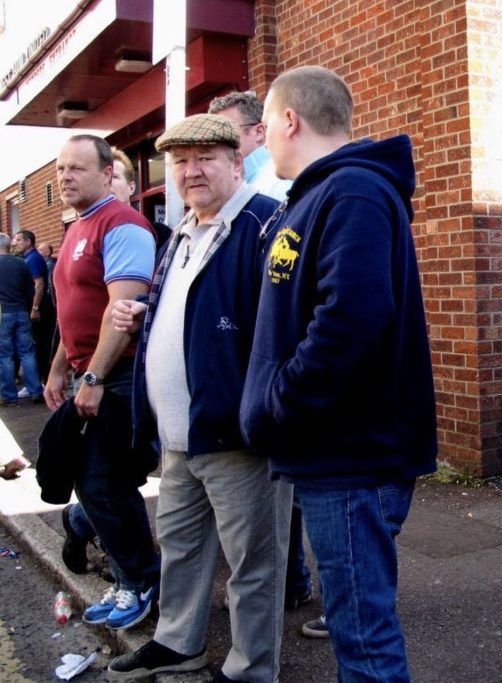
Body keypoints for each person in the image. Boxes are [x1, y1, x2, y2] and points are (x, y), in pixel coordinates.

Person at [239, 65, 437, 682]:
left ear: (290, 119)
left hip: (351, 459)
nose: (262, 138)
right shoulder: (321, 193)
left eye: (265, 123)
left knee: (364, 641)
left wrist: (279, 403)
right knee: (358, 629)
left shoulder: (352, 192)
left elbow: (352, 320)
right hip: (334, 454)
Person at [105, 114, 289, 682]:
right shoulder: (183, 230)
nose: (192, 171)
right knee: (180, 546)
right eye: (181, 161)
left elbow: (281, 327)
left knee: (253, 562)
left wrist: (261, 412)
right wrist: (144, 315)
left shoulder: (265, 224)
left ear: (237, 162)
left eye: (206, 158)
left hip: (236, 436)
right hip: (180, 434)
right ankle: (178, 642)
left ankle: (251, 668)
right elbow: (198, 310)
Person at [45, 134, 160, 631]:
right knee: (94, 481)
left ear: (107, 173)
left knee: (105, 482)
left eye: (77, 168)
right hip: (91, 373)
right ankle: (123, 567)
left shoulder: (122, 225)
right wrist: (59, 368)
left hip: (119, 376)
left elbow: (122, 312)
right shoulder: (78, 227)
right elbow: (74, 311)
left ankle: (141, 580)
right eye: (60, 169)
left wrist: (93, 376)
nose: (65, 177)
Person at [208, 88, 315, 618]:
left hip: (282, 364)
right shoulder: (241, 188)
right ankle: (293, 581)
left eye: (228, 133)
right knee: (278, 483)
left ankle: (304, 584)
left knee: (300, 485)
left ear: (258, 131)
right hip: (253, 360)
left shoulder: (279, 188)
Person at [208, 90, 291, 200]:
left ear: (259, 132)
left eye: (226, 131)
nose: (217, 141)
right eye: (213, 135)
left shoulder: (279, 183)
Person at [0, 233, 43, 406]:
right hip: (21, 311)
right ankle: (36, 391)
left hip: (3, 313)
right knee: (27, 353)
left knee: (5, 356)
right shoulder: (21, 264)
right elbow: (30, 290)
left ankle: (9, 396)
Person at [11, 229, 55, 381]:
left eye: (18, 240)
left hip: (41, 309)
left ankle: (46, 380)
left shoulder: (33, 259)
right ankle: (43, 379)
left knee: (42, 344)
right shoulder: (27, 258)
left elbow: (39, 284)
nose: (15, 243)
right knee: (39, 345)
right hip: (35, 307)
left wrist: (35, 308)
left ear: (28, 242)